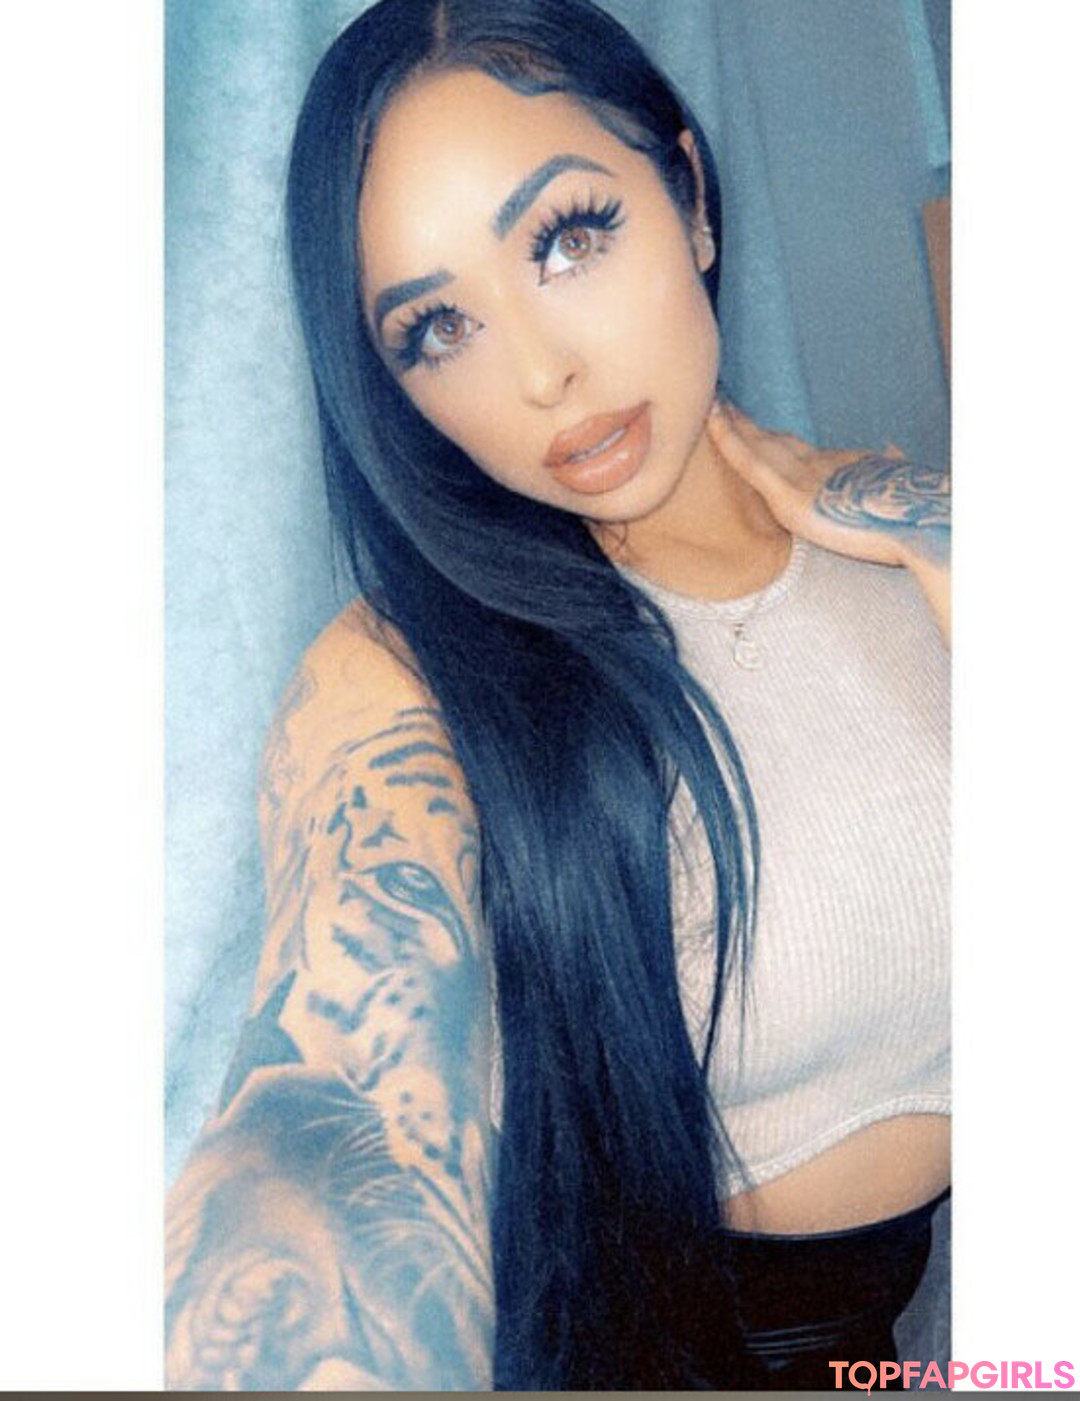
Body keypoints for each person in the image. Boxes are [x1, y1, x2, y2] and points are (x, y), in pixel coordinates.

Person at [164, 0, 950, 1389]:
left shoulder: (912, 535)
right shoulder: (400, 675)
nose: (540, 373)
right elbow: (331, 1122)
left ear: (689, 198)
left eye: (569, 237)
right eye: (437, 328)